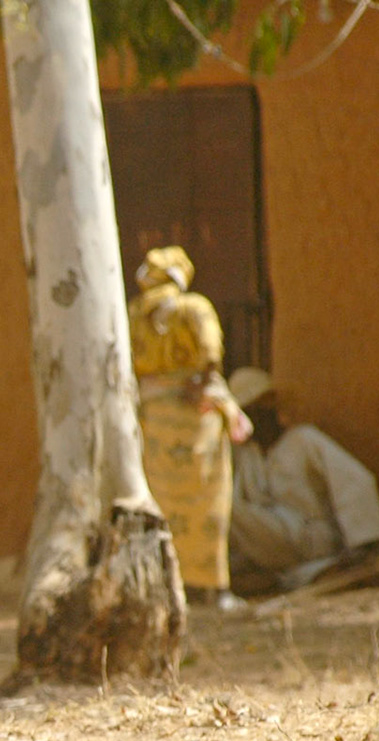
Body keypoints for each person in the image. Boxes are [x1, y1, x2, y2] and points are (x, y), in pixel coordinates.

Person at [128, 246, 253, 610]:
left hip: (153, 418)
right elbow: (210, 354)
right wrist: (202, 383)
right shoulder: (194, 308)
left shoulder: (135, 313)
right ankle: (213, 588)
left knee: (162, 500)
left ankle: (167, 586)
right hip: (196, 415)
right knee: (207, 500)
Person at [225, 367, 379, 593]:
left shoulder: (303, 440)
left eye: (260, 409)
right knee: (223, 506)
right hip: (274, 543)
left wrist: (366, 541)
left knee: (228, 508)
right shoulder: (248, 456)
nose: (257, 417)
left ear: (271, 408)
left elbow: (352, 479)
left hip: (311, 537)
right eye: (249, 412)